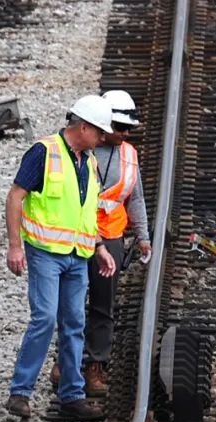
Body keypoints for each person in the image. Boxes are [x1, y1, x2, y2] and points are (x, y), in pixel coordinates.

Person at [4, 95, 117, 421]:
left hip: (77, 255)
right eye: (99, 132)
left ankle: (72, 395)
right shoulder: (44, 152)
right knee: (45, 319)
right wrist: (15, 246)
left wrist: (99, 247)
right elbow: (15, 197)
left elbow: (84, 212)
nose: (101, 139)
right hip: (46, 254)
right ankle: (20, 392)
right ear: (83, 127)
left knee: (74, 325)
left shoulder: (89, 161)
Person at [49, 90, 152, 396]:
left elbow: (136, 197)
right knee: (70, 302)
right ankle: (65, 362)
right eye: (119, 128)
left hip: (111, 236)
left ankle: (96, 366)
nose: (124, 134)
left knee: (103, 304)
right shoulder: (80, 150)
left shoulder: (129, 156)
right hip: (78, 234)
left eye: (127, 129)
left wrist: (143, 236)